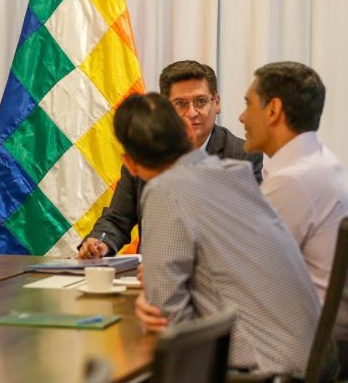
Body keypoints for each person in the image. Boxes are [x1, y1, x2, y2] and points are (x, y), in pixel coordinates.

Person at [119, 93, 318, 374]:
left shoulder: (164, 190)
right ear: (188, 132)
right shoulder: (235, 173)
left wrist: (152, 296)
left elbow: (167, 318)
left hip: (266, 370)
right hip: (313, 358)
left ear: (130, 163)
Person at [78, 60, 262, 258]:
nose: (192, 113)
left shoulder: (241, 156)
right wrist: (100, 243)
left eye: (201, 101)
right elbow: (117, 219)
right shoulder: (144, 155)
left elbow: (246, 231)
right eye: (181, 104)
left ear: (216, 103)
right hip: (150, 274)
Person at [239, 61, 348, 300]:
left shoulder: (293, 180)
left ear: (273, 110)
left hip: (298, 332)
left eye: (248, 104)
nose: (241, 117)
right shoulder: (317, 163)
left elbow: (245, 272)